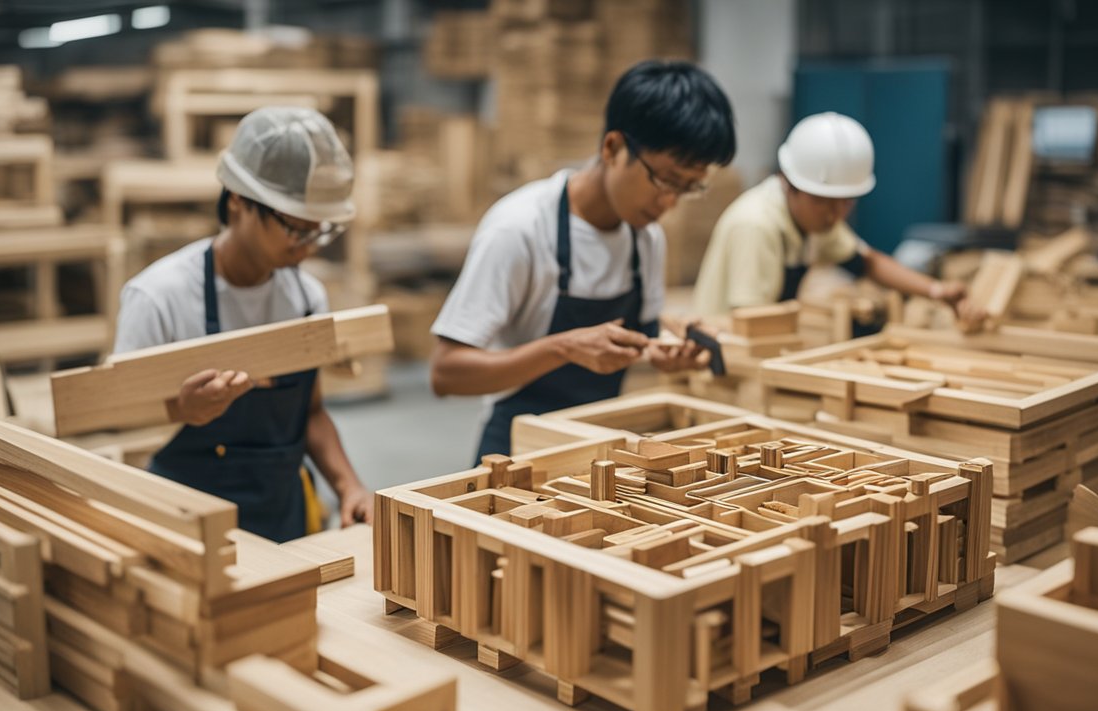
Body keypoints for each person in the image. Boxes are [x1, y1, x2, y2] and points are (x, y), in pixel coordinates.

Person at [430, 60, 737, 460]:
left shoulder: (646, 238)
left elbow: (636, 341)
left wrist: (659, 352)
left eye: (688, 188)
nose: (671, 202)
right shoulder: (519, 229)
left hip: (599, 447)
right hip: (516, 453)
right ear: (613, 148)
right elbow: (445, 373)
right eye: (666, 180)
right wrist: (562, 348)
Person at [112, 107, 373, 542]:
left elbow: (309, 411)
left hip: (281, 517)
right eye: (296, 229)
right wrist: (180, 411)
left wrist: (349, 485)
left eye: (319, 231)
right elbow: (114, 424)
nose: (308, 247)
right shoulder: (159, 297)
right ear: (238, 200)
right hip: (185, 523)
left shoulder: (305, 298)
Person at [692, 112, 985, 328]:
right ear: (787, 183)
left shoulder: (813, 219)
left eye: (845, 202)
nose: (834, 215)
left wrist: (936, 291)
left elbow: (867, 261)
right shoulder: (757, 225)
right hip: (717, 356)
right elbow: (751, 321)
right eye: (822, 201)